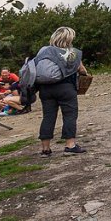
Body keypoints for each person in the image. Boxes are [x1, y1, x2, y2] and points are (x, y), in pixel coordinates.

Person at [33, 27, 91, 156]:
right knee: (69, 115)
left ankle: (45, 149)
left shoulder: (44, 51)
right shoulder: (72, 52)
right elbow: (82, 70)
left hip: (45, 89)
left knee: (48, 117)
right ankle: (70, 145)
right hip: (65, 88)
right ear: (69, 38)